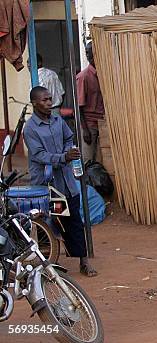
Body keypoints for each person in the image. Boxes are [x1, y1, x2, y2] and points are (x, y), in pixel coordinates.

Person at [24, 86, 97, 277]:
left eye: (50, 99)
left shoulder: (57, 120)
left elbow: (69, 137)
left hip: (66, 181)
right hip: (47, 185)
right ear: (34, 103)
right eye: (44, 100)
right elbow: (39, 155)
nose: (49, 103)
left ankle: (83, 260)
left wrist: (68, 151)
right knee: (46, 223)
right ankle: (44, 265)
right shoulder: (30, 128)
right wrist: (63, 157)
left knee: (73, 219)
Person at [76, 41, 105, 164]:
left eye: (91, 52)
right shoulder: (83, 77)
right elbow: (78, 107)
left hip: (104, 123)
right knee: (88, 161)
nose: (88, 55)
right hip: (90, 124)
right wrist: (85, 130)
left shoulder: (105, 74)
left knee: (102, 160)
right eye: (87, 52)